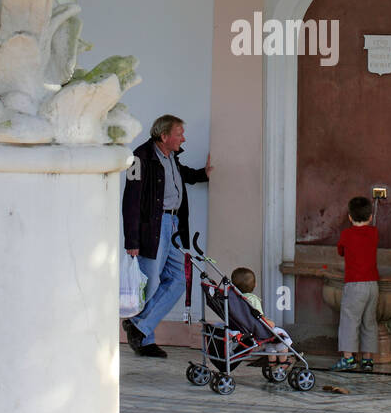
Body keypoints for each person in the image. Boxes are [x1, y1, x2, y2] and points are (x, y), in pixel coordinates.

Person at [122, 115, 211, 357]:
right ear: (164, 136)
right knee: (150, 284)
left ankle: (139, 326)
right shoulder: (140, 158)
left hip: (173, 225)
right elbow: (130, 200)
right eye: (179, 133)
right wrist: (132, 240)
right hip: (153, 226)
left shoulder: (172, 157)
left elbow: (183, 176)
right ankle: (144, 338)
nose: (183, 138)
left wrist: (205, 173)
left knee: (180, 279)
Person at [333, 195, 379, 373]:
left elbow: (341, 251)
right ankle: (368, 360)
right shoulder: (374, 232)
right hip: (372, 284)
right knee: (370, 322)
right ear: (370, 217)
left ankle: (348, 358)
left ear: (349, 217)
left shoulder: (347, 234)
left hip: (354, 284)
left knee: (349, 321)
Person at [231, 267, 291, 365]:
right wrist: (270, 322)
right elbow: (259, 318)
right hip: (256, 330)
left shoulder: (235, 299)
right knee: (281, 335)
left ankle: (272, 361)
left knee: (271, 339)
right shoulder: (252, 300)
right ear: (255, 285)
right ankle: (283, 361)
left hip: (243, 328)